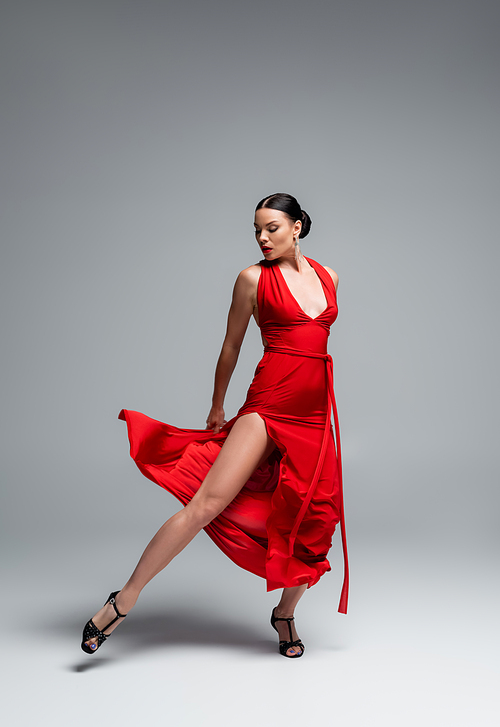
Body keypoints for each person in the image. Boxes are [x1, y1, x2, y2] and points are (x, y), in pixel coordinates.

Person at [81, 192, 349, 659]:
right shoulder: (251, 279)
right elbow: (231, 346)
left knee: (316, 520)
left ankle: (284, 614)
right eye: (257, 231)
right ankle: (125, 599)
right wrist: (218, 406)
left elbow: (315, 345)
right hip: (268, 405)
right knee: (206, 502)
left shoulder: (330, 277)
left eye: (272, 229)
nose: (263, 238)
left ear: (297, 227)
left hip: (313, 416)